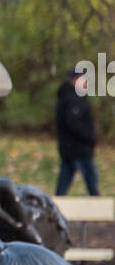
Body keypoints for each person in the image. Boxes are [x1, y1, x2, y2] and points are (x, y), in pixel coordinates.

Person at [55, 67, 99, 196]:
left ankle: (57, 202)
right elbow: (73, 123)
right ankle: (99, 206)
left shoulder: (69, 96)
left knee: (64, 180)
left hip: (71, 148)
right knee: (91, 180)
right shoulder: (72, 98)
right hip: (78, 148)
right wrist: (90, 137)